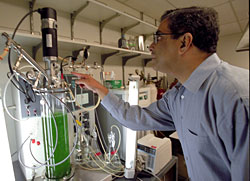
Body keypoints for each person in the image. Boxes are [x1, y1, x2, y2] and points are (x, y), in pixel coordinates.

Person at [72, 6, 249, 181]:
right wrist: (97, 88)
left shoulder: (237, 97)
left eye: (158, 37)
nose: (151, 46)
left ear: (184, 42)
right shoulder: (179, 95)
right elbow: (136, 118)